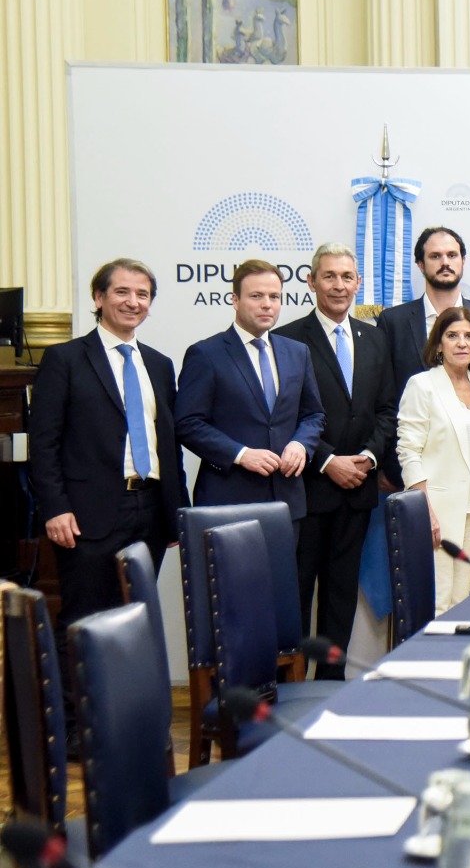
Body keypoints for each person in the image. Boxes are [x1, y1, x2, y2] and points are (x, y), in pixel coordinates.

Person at [30, 259, 190, 710]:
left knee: (133, 620)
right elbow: (44, 444)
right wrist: (55, 508)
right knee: (83, 621)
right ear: (98, 298)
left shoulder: (159, 364)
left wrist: (176, 513)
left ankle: (124, 720)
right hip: (85, 514)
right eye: (121, 292)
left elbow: (169, 443)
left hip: (150, 511)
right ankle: (78, 731)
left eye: (142, 295)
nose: (132, 302)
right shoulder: (64, 359)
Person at [274, 242, 397, 672]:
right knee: (295, 597)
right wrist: (329, 461)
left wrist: (367, 456)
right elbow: (283, 417)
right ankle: (287, 693)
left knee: (340, 599)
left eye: (347, 277)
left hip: (357, 491)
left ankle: (328, 687)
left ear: (358, 283)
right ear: (311, 281)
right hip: (306, 490)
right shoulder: (287, 339)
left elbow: (386, 410)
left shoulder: (374, 338)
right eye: (329, 276)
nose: (339, 285)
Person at [175, 259, 325, 524]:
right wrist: (241, 454)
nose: (267, 304)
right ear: (235, 300)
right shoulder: (206, 354)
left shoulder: (297, 352)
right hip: (228, 502)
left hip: (286, 501)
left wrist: (301, 444)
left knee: (284, 568)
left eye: (274, 296)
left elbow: (313, 414)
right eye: (256, 296)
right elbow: (187, 423)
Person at [377, 226, 470, 487]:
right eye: (435, 256)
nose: (445, 262)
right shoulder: (393, 321)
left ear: (463, 261)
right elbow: (384, 396)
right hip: (410, 469)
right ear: (420, 264)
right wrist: (385, 463)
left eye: (452, 255)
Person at [396, 306, 470, 613]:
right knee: (437, 604)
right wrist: (424, 509)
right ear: (438, 343)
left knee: (460, 604)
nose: (462, 343)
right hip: (436, 513)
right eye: (452, 335)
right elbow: (409, 451)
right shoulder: (422, 385)